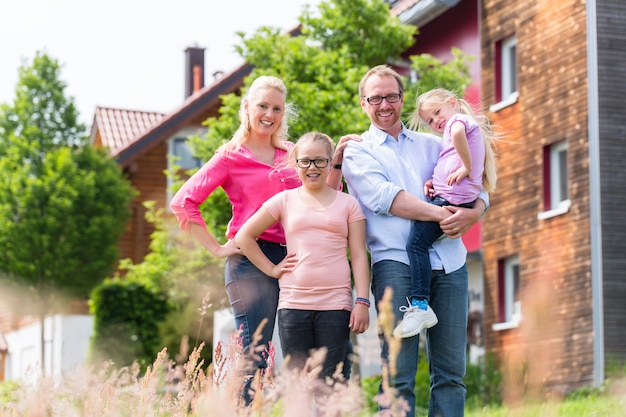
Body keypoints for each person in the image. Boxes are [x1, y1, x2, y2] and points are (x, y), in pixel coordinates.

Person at [169, 76, 349, 405]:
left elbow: (326, 196)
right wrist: (217, 247)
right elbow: (183, 202)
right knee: (256, 353)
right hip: (251, 262)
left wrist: (336, 161)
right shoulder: (229, 157)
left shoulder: (293, 154)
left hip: (295, 259)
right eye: (262, 106)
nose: (269, 114)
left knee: (307, 353)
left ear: (284, 113)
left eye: (277, 108)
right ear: (247, 108)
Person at [341, 65, 489, 417]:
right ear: (364, 104)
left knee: (452, 374)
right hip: (396, 265)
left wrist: (475, 211)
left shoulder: (435, 143)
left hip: (450, 262)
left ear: (402, 98)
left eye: (391, 96)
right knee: (399, 372)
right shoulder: (357, 152)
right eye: (375, 98)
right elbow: (388, 199)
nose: (384, 104)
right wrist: (443, 215)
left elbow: (476, 183)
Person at [235, 131, 370, 387]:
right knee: (298, 385)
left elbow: (360, 255)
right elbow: (244, 236)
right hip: (293, 305)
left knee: (332, 384)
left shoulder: (349, 204)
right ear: (295, 164)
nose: (313, 167)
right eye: (305, 161)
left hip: (336, 305)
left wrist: (362, 301)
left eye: (320, 161)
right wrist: (272, 269)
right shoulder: (285, 200)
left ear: (331, 163)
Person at [393, 88, 498, 339]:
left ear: (453, 103)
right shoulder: (450, 135)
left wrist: (466, 166)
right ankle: (421, 305)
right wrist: (434, 182)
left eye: (437, 112)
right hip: (446, 198)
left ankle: (420, 305)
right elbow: (449, 162)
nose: (436, 121)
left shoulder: (458, 122)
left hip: (451, 205)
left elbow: (459, 136)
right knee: (420, 243)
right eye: (430, 120)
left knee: (416, 245)